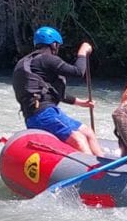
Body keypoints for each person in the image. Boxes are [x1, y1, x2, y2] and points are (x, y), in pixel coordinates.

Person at [12, 26, 103, 156]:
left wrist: (82, 103)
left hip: (43, 113)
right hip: (42, 115)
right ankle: (94, 173)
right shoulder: (47, 59)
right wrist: (82, 52)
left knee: (88, 132)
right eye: (57, 45)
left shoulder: (30, 62)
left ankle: (103, 164)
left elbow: (52, 92)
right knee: (79, 139)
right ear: (53, 44)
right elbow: (78, 72)